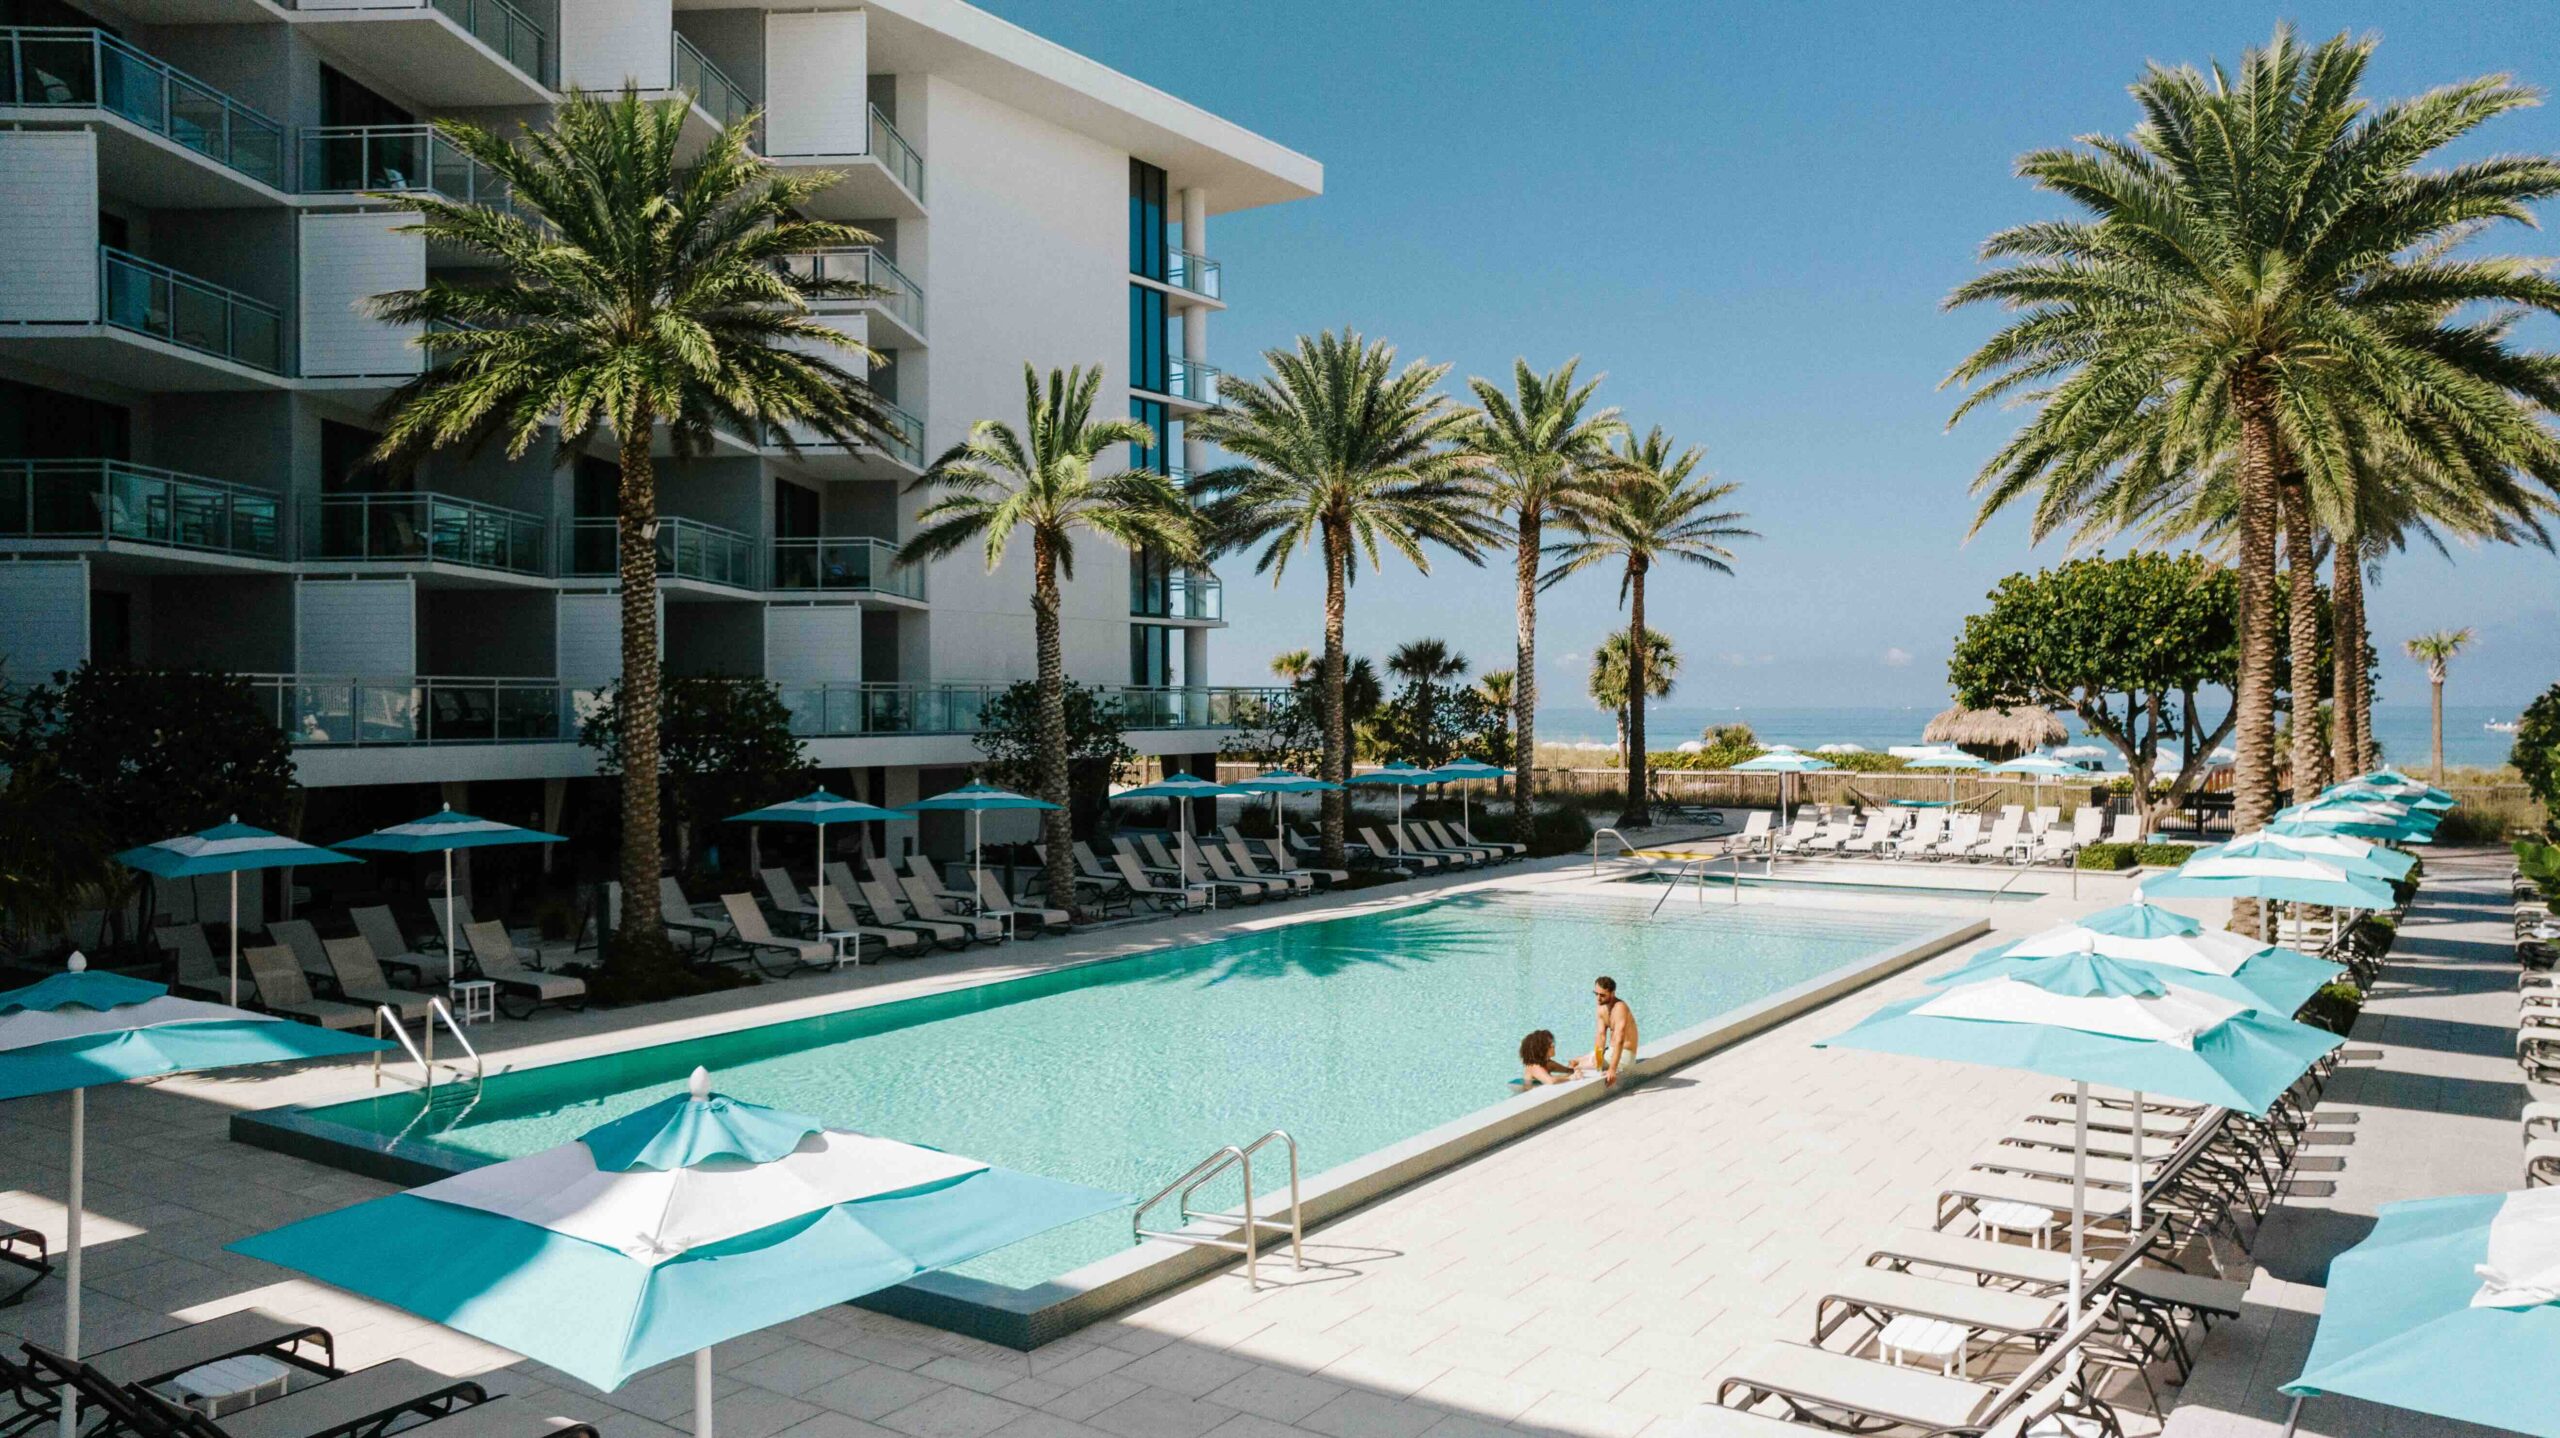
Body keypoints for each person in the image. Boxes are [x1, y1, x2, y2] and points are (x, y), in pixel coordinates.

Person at [1589, 975, 1638, 1087]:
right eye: (1596, 994)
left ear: (1612, 993)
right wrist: (1598, 1062)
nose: (1598, 998)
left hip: (1625, 1057)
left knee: (1578, 1064)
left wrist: (1612, 1069)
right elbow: (1601, 1036)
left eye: (1602, 995)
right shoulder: (1601, 1008)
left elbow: (1620, 1039)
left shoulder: (1620, 1008)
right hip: (1612, 1053)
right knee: (1582, 1060)